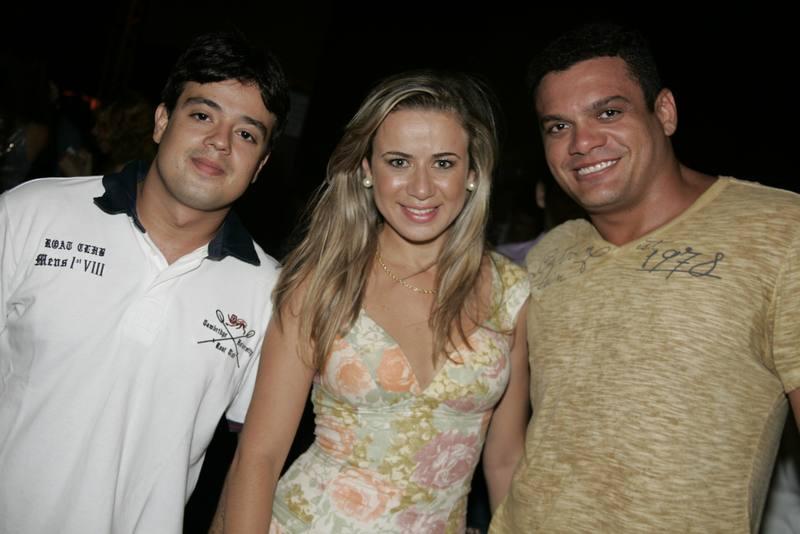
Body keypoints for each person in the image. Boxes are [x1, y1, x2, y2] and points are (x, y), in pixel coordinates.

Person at [490, 23, 800, 533]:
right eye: (558, 126)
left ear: (665, 112)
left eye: (608, 113)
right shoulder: (547, 256)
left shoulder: (780, 231)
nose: (582, 142)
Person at [212, 71, 530, 533]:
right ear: (366, 170)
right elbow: (259, 457)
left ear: (472, 174)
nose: (421, 187)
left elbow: (505, 459)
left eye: (443, 163)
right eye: (398, 162)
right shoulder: (321, 284)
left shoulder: (511, 293)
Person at [0, 31, 290, 533]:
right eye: (202, 115)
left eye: (247, 134)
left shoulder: (271, 295)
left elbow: (252, 463)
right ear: (161, 122)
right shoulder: (32, 213)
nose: (220, 142)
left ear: (261, 164)